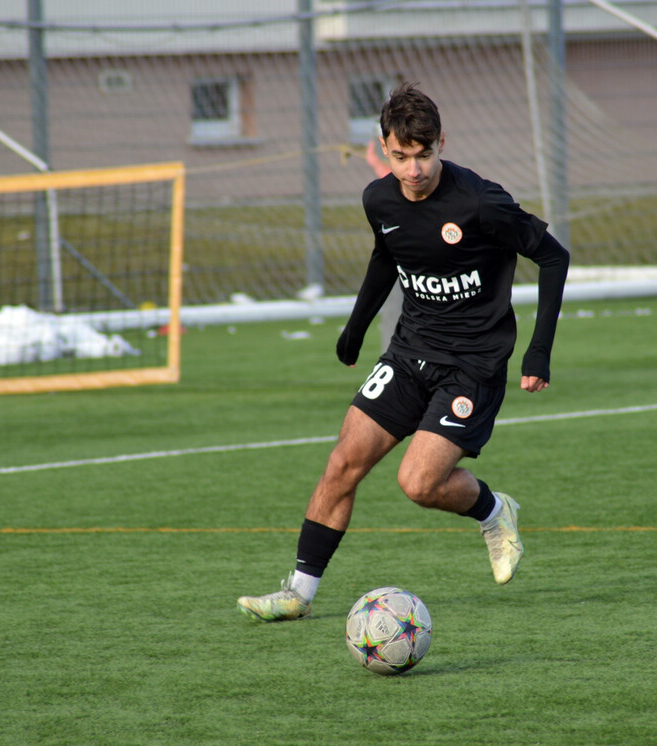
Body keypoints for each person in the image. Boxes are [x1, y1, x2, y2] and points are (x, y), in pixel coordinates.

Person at [238, 82, 570, 621]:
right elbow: (386, 258)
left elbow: (554, 259)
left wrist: (539, 353)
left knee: (418, 484)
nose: (413, 170)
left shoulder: (481, 202)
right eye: (400, 157)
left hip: (473, 365)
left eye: (424, 155)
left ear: (442, 142)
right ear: (384, 147)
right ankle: (297, 593)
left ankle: (493, 510)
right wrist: (354, 326)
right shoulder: (379, 198)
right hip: (410, 352)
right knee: (343, 462)